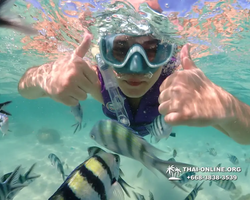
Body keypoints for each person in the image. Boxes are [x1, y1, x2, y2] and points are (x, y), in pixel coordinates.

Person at [18, 0, 250, 145]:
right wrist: (45, 76)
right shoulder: (94, 75)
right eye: (119, 49)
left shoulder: (178, 84)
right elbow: (25, 89)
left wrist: (228, 108)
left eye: (152, 51)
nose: (135, 69)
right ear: (102, 52)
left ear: (168, 52)